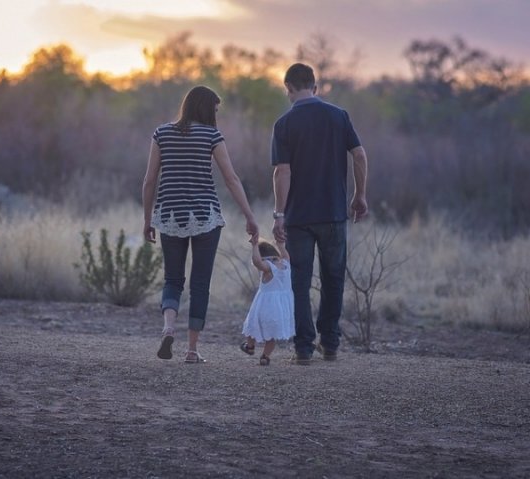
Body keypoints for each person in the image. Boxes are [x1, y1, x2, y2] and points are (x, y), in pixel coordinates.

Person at [142, 85, 259, 364]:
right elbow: (231, 179)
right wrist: (249, 215)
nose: (216, 115)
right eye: (215, 109)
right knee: (200, 284)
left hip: (169, 215)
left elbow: (149, 180)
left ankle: (169, 327)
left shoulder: (162, 133)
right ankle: (192, 350)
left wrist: (148, 219)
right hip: (205, 216)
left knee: (172, 279)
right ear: (206, 109)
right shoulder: (211, 136)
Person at [271, 63, 369, 365]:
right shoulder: (339, 117)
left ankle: (303, 348)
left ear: (288, 87)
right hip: (334, 213)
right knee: (333, 278)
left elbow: (282, 172)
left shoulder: (284, 124)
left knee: (299, 282)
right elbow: (360, 155)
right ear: (315, 86)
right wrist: (359, 195)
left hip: (299, 217)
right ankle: (330, 344)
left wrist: (279, 214)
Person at [240, 239, 295, 366]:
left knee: (252, 325)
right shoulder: (286, 263)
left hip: (265, 307)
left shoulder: (268, 268)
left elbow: (257, 262)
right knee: (272, 335)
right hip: (281, 309)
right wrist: (280, 244)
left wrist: (254, 246)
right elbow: (285, 254)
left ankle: (250, 346)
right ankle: (265, 356)